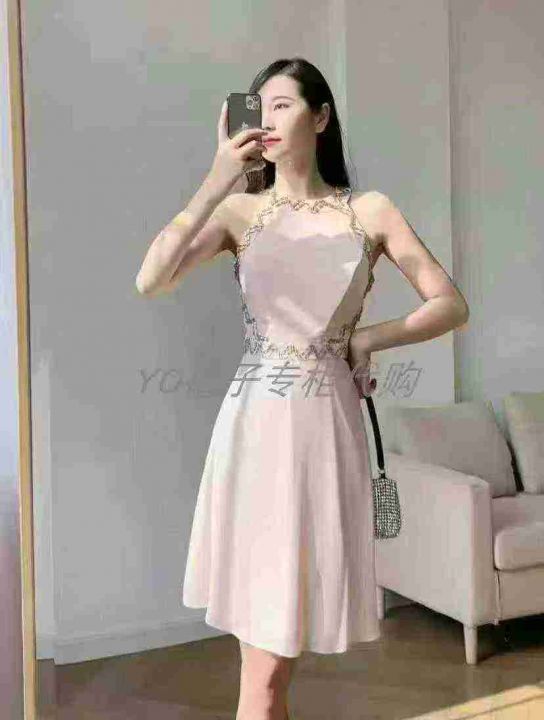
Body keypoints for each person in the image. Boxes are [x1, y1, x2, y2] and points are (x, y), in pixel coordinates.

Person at [135, 57, 469, 720]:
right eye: (258, 107)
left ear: (321, 117)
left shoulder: (369, 211)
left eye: (283, 105)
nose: (267, 119)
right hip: (256, 426)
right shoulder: (239, 211)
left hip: (324, 428)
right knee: (262, 677)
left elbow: (450, 305)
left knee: (271, 674)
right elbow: (152, 279)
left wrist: (369, 339)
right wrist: (216, 178)